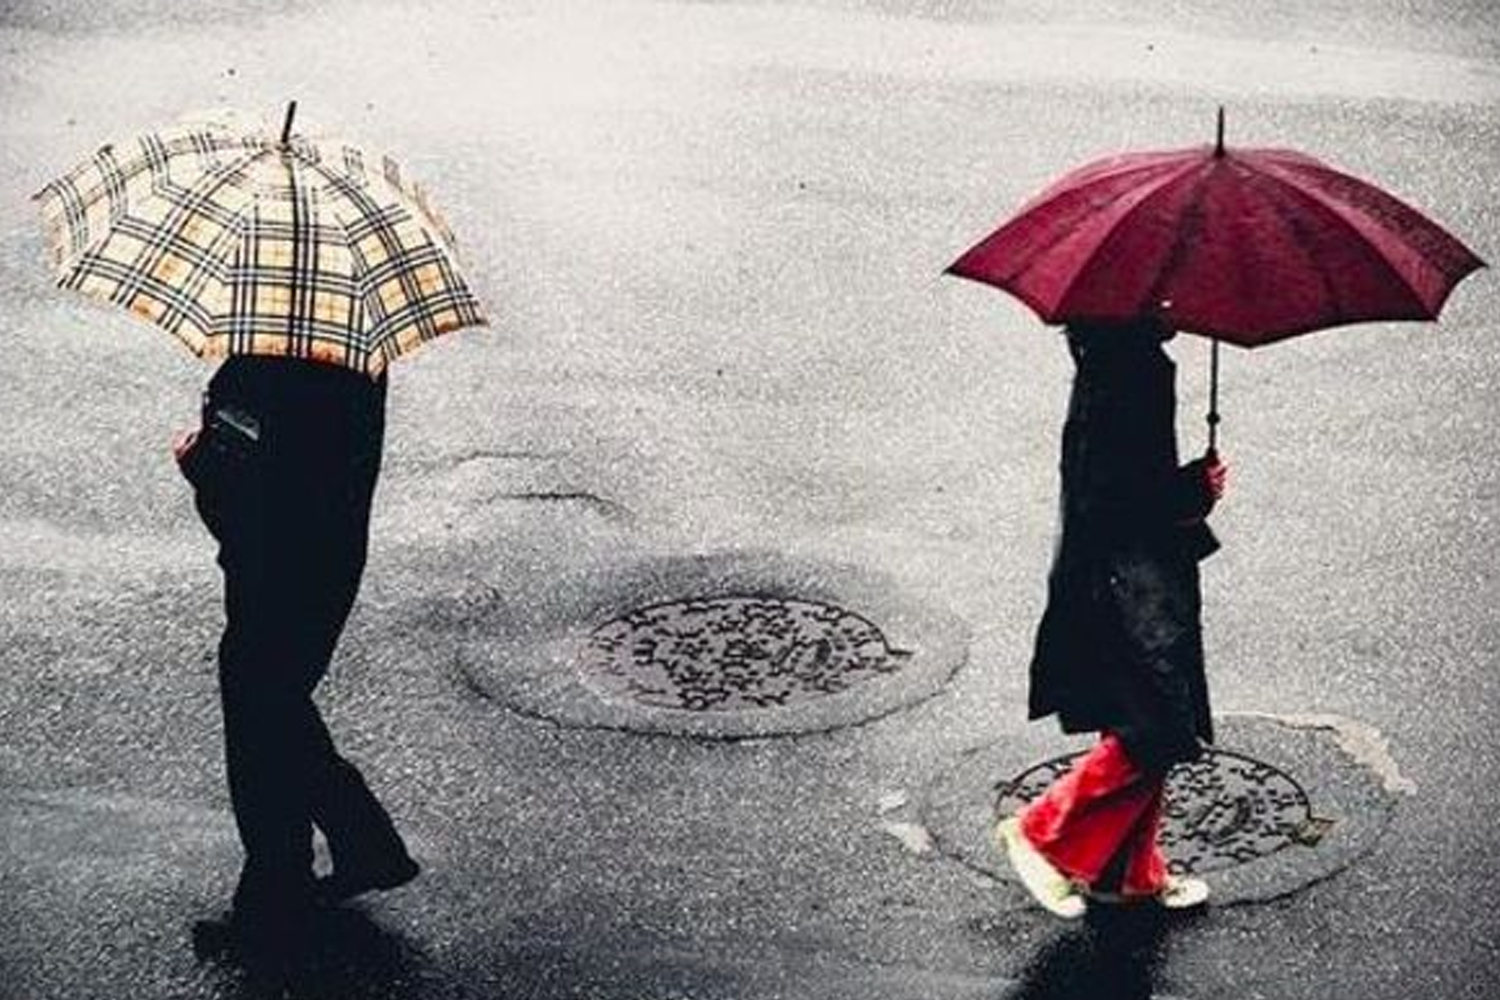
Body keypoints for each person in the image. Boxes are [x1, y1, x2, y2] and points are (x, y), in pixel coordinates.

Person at [174, 354, 420, 973]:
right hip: (326, 557)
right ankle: (355, 845)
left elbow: (243, 483)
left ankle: (279, 895)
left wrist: (198, 463)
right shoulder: (351, 360)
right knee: (274, 704)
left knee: (259, 707)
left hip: (273, 562)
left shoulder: (263, 371)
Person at [996, 318, 1228, 918]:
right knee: (1156, 725)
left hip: (1118, 572)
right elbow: (1122, 494)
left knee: (1144, 714)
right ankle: (1041, 830)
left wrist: (1185, 493)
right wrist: (1192, 492)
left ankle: (1128, 873)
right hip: (1129, 582)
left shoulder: (1115, 354)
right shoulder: (1132, 370)